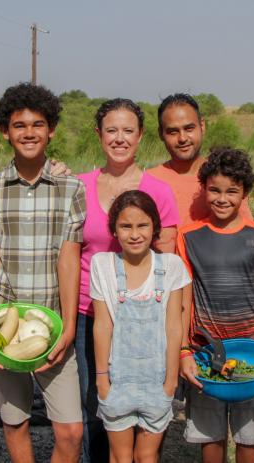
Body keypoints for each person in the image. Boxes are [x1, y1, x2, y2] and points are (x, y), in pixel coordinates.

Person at [0, 82, 86, 463]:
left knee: (70, 430)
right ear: (5, 131)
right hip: (4, 321)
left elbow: (69, 259)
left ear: (51, 129)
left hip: (53, 325)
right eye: (19, 125)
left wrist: (68, 325)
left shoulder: (71, 187)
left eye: (38, 124)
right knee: (15, 421)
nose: (29, 132)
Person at [76, 98, 180, 462]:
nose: (119, 138)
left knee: (148, 407)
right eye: (111, 130)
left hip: (144, 314)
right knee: (98, 401)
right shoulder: (77, 185)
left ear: (139, 137)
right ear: (99, 135)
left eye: (128, 131)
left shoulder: (159, 191)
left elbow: (166, 260)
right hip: (88, 310)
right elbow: (68, 251)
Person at [177, 147, 254, 463]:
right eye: (214, 190)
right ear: (204, 190)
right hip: (204, 353)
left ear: (245, 194)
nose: (222, 198)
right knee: (210, 438)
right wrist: (184, 350)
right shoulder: (188, 238)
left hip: (252, 354)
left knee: (248, 438)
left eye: (232, 191)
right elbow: (184, 300)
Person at [91, 190, 189, 463]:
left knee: (146, 455)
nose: (135, 234)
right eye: (126, 226)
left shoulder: (171, 266)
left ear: (155, 228)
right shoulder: (103, 265)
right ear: (114, 230)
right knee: (120, 456)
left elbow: (173, 327)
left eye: (142, 225)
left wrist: (171, 381)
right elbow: (102, 325)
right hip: (117, 380)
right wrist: (102, 379)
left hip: (157, 382)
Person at [146, 93, 254, 245]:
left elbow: (243, 229)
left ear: (202, 126)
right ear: (161, 134)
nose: (182, 138)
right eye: (173, 131)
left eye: (189, 128)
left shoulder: (224, 173)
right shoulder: (148, 183)